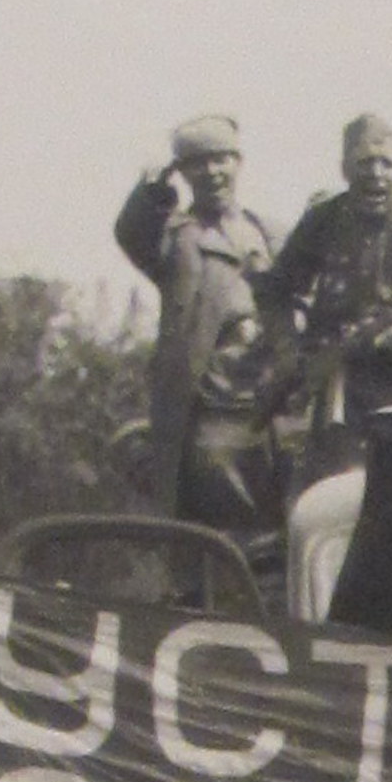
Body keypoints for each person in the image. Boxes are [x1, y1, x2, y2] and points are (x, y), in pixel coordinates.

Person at [112, 115, 278, 527]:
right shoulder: (176, 237)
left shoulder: (268, 233)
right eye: (197, 163)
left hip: (271, 397)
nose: (212, 172)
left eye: (221, 159)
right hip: (212, 403)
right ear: (183, 172)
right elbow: (133, 234)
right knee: (213, 495)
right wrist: (153, 189)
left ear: (238, 162)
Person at [257, 113, 392, 441]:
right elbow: (273, 291)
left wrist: (381, 340)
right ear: (344, 168)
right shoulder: (322, 221)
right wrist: (287, 350)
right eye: (364, 163)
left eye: (387, 164)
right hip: (336, 384)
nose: (375, 174)